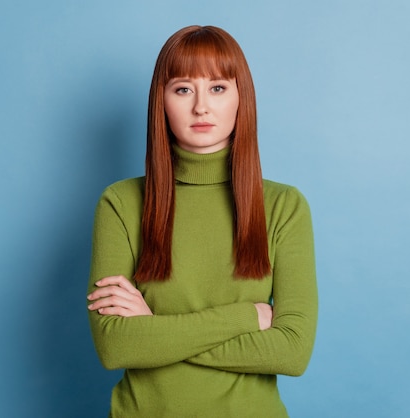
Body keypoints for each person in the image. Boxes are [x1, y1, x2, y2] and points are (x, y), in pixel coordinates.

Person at [86, 25, 318, 417]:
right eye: (182, 89)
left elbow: (293, 352)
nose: (201, 107)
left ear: (241, 97)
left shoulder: (283, 206)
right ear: (161, 100)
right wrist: (248, 317)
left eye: (218, 88)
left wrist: (155, 328)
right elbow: (117, 347)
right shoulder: (121, 203)